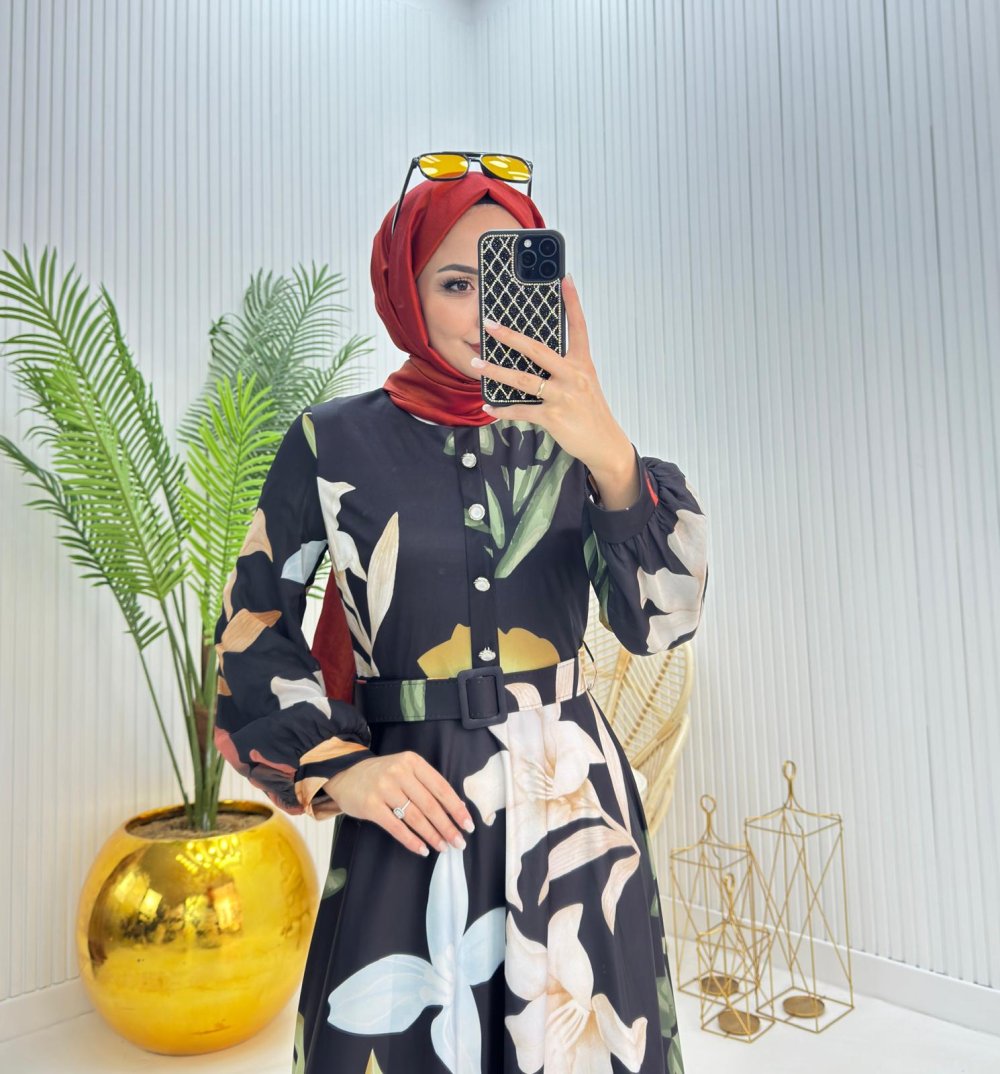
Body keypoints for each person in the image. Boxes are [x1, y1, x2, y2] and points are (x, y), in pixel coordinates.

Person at [213, 166, 709, 1074]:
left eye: (506, 281)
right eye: (453, 283)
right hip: (412, 801)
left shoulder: (578, 437)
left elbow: (661, 623)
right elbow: (254, 624)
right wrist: (341, 769)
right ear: (405, 292)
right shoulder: (331, 442)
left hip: (572, 802)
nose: (484, 311)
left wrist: (610, 452)